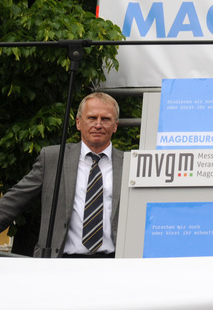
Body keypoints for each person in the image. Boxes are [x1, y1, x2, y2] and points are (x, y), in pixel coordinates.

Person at [0, 92, 124, 257]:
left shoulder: (129, 164)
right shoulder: (53, 159)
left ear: (115, 126)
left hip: (116, 262)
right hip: (60, 262)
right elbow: (13, 201)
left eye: (106, 119)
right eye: (92, 118)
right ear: (78, 122)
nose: (98, 124)